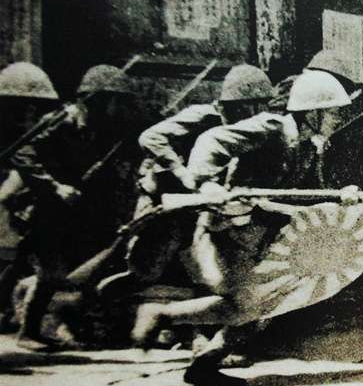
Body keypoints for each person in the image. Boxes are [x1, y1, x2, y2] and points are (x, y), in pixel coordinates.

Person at [131, 69, 359, 386]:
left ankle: (203, 363)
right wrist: (205, 182)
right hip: (227, 231)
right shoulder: (272, 128)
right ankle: (161, 316)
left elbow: (309, 194)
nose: (339, 119)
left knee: (262, 306)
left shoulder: (310, 147)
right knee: (244, 305)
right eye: (334, 112)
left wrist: (339, 196)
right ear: (313, 113)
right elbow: (211, 141)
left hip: (261, 236)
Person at [95, 64, 276, 300]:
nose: (255, 113)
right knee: (146, 271)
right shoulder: (202, 116)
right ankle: (98, 303)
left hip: (197, 205)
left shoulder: (247, 130)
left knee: (203, 269)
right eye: (249, 106)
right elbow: (150, 138)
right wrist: (182, 173)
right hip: (163, 200)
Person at [10, 64, 138, 349]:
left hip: (78, 212)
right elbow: (23, 155)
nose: (115, 109)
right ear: (94, 100)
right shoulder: (63, 122)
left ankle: (47, 327)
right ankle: (28, 331)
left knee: (66, 272)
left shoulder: (102, 129)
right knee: (51, 272)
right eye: (112, 101)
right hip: (49, 209)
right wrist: (55, 186)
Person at [0, 62, 60, 329]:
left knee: (19, 257)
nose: (29, 113)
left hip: (20, 203)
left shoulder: (37, 132)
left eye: (33, 107)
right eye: (22, 106)